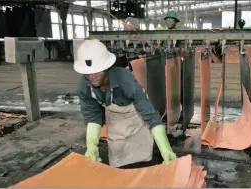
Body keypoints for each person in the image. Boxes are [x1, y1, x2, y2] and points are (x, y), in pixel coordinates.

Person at [75, 39, 177, 168]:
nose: (92, 76)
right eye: (88, 73)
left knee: (144, 161)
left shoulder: (124, 79)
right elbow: (93, 118)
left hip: (136, 119)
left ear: (106, 67)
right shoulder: (84, 86)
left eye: (97, 70)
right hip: (115, 122)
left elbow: (151, 117)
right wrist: (91, 146)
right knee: (119, 161)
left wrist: (166, 150)